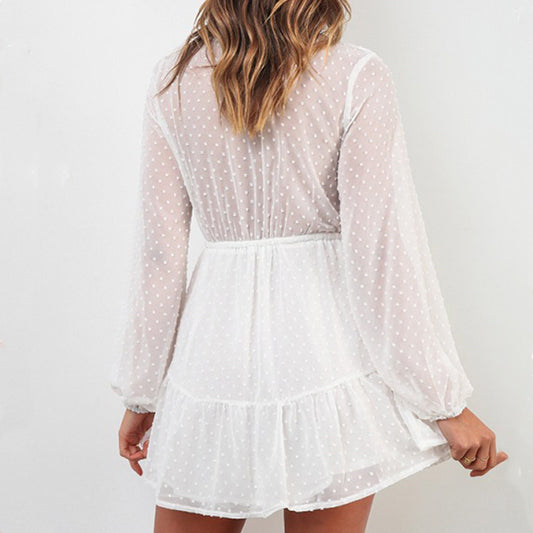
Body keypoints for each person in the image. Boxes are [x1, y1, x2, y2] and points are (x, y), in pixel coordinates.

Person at [108, 1, 508, 531]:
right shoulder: (353, 74)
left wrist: (143, 392)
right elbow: (379, 255)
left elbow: (159, 256)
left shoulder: (174, 81)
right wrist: (444, 405)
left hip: (212, 359)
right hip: (326, 359)